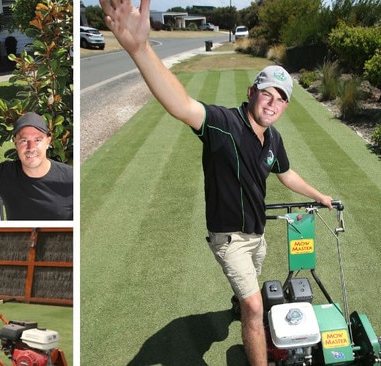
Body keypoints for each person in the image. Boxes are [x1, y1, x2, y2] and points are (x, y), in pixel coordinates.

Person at [99, 1, 333, 365]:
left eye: (281, 100)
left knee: (248, 293)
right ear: (253, 91)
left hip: (257, 238)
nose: (273, 104)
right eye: (268, 93)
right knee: (255, 308)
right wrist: (140, 49)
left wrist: (320, 196)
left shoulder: (273, 140)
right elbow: (181, 104)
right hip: (229, 239)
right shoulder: (224, 124)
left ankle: (238, 303)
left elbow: (286, 174)